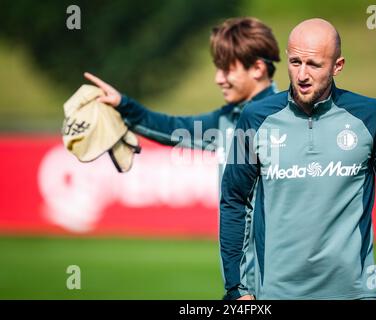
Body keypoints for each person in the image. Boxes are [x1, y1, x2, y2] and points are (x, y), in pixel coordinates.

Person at [83, 17, 280, 299]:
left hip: (276, 288)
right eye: (217, 68)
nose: (218, 78)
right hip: (241, 289)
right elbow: (174, 128)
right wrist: (124, 106)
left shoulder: (288, 120)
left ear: (258, 68)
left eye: (227, 69)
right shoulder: (226, 120)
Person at [220, 18, 376, 300]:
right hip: (274, 295)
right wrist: (236, 289)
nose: (302, 75)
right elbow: (234, 199)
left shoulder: (373, 116)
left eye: (314, 65)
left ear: (338, 66)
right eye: (295, 62)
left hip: (355, 294)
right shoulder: (254, 117)